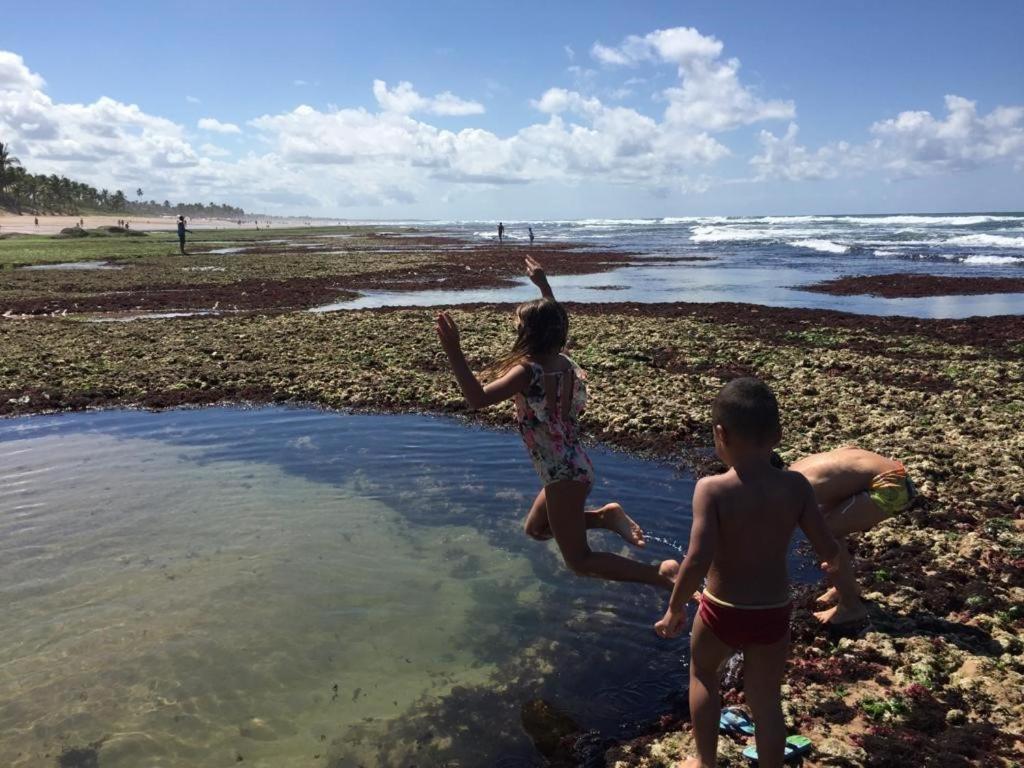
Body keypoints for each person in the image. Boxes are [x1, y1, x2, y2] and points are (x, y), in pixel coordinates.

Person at [436, 255, 679, 591]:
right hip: (568, 466)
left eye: (518, 327)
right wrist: (543, 285)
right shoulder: (562, 360)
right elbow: (554, 317)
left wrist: (453, 350)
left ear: (528, 334)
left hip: (564, 473)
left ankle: (661, 577)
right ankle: (604, 517)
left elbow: (477, 399)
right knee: (536, 529)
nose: (515, 330)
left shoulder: (527, 372)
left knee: (579, 561)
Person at [654, 378, 856, 768]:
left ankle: (705, 762)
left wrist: (675, 608)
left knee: (703, 675)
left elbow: (696, 559)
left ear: (720, 434)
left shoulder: (711, 489)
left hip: (720, 610)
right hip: (772, 611)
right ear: (778, 435)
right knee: (766, 702)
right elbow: (828, 547)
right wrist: (838, 576)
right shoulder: (796, 486)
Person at [784, 447, 917, 625]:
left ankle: (851, 607)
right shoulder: (795, 471)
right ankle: (847, 587)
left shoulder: (793, 490)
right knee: (827, 525)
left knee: (826, 535)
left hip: (890, 488)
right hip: (894, 473)